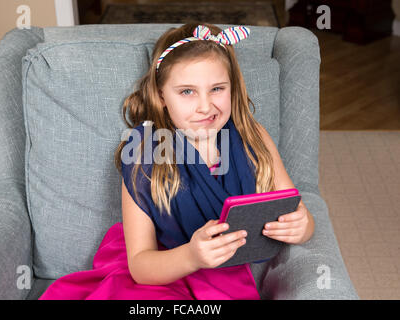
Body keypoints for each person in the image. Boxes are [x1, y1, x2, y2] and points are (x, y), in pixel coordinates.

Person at [39, 22, 315, 300]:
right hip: (159, 272)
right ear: (161, 96)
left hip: (221, 277)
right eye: (187, 92)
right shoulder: (144, 152)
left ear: (233, 87)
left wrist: (302, 227)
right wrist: (192, 256)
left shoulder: (253, 137)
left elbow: (296, 210)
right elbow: (140, 266)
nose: (205, 106)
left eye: (217, 88)